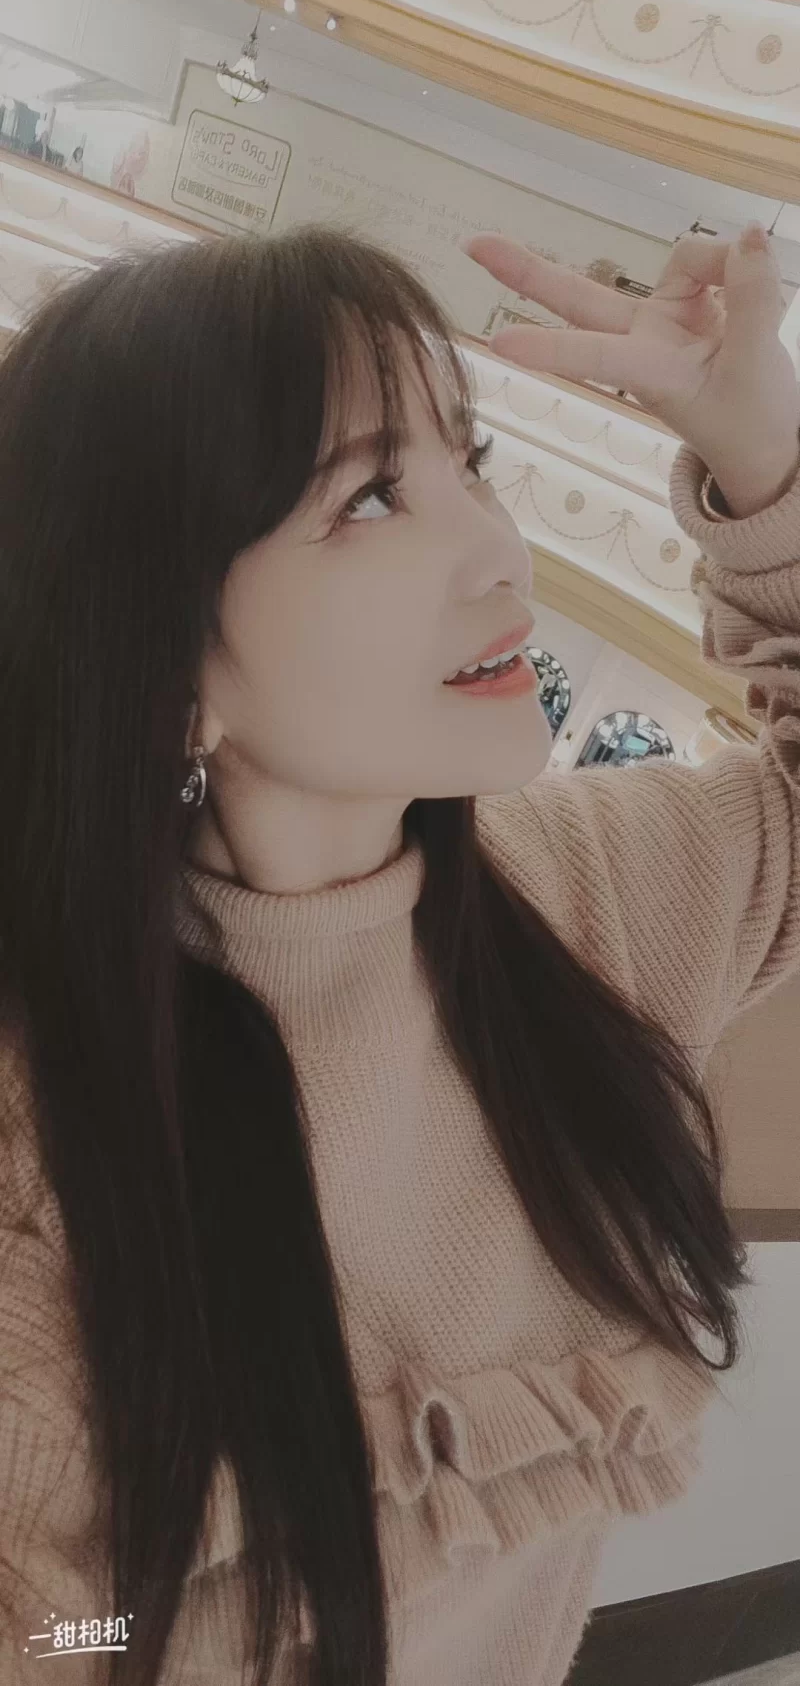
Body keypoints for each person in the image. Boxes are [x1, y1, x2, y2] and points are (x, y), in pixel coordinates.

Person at [0, 220, 797, 1686]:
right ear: (168, 668)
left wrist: (763, 458)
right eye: (371, 494)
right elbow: (44, 1631)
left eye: (467, 464)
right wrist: (161, 1636)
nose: (500, 548)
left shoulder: (587, 894)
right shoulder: (45, 1147)